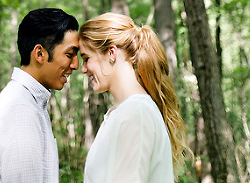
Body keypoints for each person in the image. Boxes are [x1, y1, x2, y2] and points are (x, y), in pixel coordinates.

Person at [78, 12, 189, 183]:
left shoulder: (136, 112)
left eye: (86, 58)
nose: (83, 69)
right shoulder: (126, 111)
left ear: (111, 53)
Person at [0, 7, 80, 183]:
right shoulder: (20, 110)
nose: (76, 65)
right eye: (69, 54)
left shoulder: (28, 102)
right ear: (40, 54)